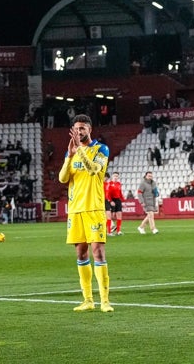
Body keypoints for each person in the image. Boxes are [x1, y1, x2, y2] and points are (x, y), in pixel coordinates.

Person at [58, 113, 112, 313]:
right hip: (75, 210)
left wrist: (80, 151)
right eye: (76, 128)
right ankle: (88, 299)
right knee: (81, 253)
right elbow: (63, 178)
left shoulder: (101, 149)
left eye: (82, 128)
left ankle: (105, 301)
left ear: (90, 129)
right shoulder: (70, 152)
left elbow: (93, 170)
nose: (79, 131)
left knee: (98, 251)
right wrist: (70, 156)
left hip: (94, 208)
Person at [104, 172, 124, 236]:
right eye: (115, 176)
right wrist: (110, 201)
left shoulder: (119, 184)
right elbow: (107, 194)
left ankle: (118, 231)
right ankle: (109, 231)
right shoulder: (109, 184)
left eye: (117, 176)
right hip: (111, 200)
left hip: (118, 200)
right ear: (112, 177)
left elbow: (120, 193)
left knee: (119, 215)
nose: (116, 177)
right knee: (110, 216)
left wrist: (123, 200)